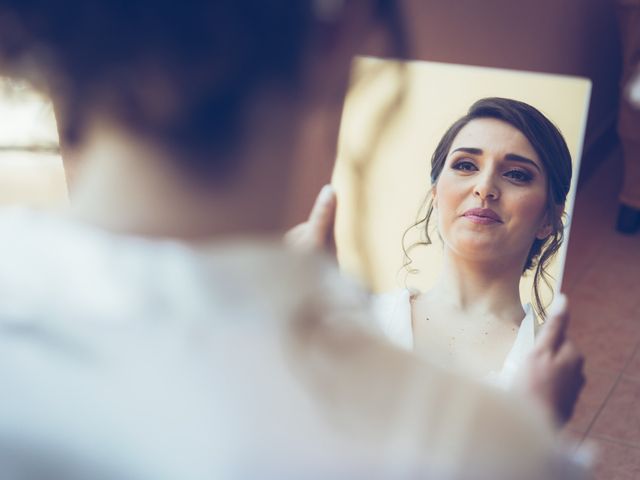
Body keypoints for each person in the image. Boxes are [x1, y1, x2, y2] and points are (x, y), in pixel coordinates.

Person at [0, 1, 586, 479]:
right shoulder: (483, 444)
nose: (484, 189)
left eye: (515, 174)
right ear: (339, 35)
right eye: (464, 165)